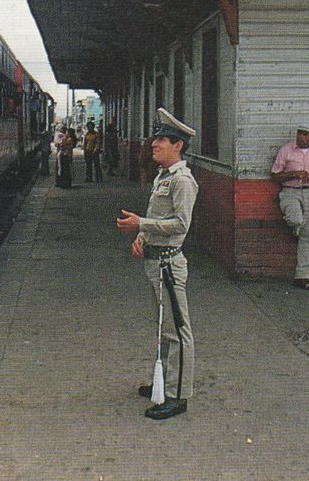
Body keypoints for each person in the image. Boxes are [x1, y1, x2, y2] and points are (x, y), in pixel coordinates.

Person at [116, 108, 198, 421]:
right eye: (156, 138)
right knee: (164, 328)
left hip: (169, 266)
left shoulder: (182, 181)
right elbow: (160, 221)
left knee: (178, 331)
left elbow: (180, 224)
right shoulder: (163, 176)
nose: (154, 143)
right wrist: (142, 237)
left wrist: (141, 224)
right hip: (156, 261)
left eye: (162, 139)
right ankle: (163, 383)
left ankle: (178, 395)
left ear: (178, 144)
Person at [271, 124, 309, 290]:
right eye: (299, 134)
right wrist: (294, 174)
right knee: (295, 219)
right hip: (290, 191)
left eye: (305, 135)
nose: (301, 137)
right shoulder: (286, 150)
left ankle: (302, 276)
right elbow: (275, 175)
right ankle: (296, 229)